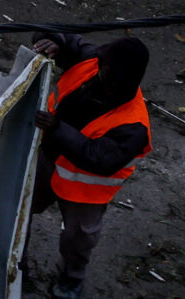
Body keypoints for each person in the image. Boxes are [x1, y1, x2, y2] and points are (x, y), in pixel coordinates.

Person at [30, 35, 153, 299]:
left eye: (110, 79)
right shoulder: (95, 60)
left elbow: (99, 159)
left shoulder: (134, 126)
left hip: (84, 189)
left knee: (79, 239)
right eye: (103, 70)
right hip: (47, 159)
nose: (101, 78)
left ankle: (70, 280)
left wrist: (56, 128)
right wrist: (53, 41)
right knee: (20, 208)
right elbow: (67, 42)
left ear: (127, 84)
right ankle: (13, 259)